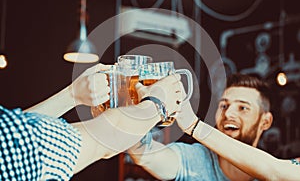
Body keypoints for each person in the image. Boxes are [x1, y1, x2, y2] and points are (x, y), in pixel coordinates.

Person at [0, 63, 183, 180]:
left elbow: (18, 127)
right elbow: (100, 140)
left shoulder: (10, 136)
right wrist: (157, 104)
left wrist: (73, 95)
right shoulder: (11, 149)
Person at [128, 74, 300, 181]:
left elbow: (276, 172)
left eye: (243, 108)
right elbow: (146, 156)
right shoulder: (196, 158)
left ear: (266, 122)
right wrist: (134, 110)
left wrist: (194, 126)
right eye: (224, 106)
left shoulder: (277, 169)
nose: (229, 114)